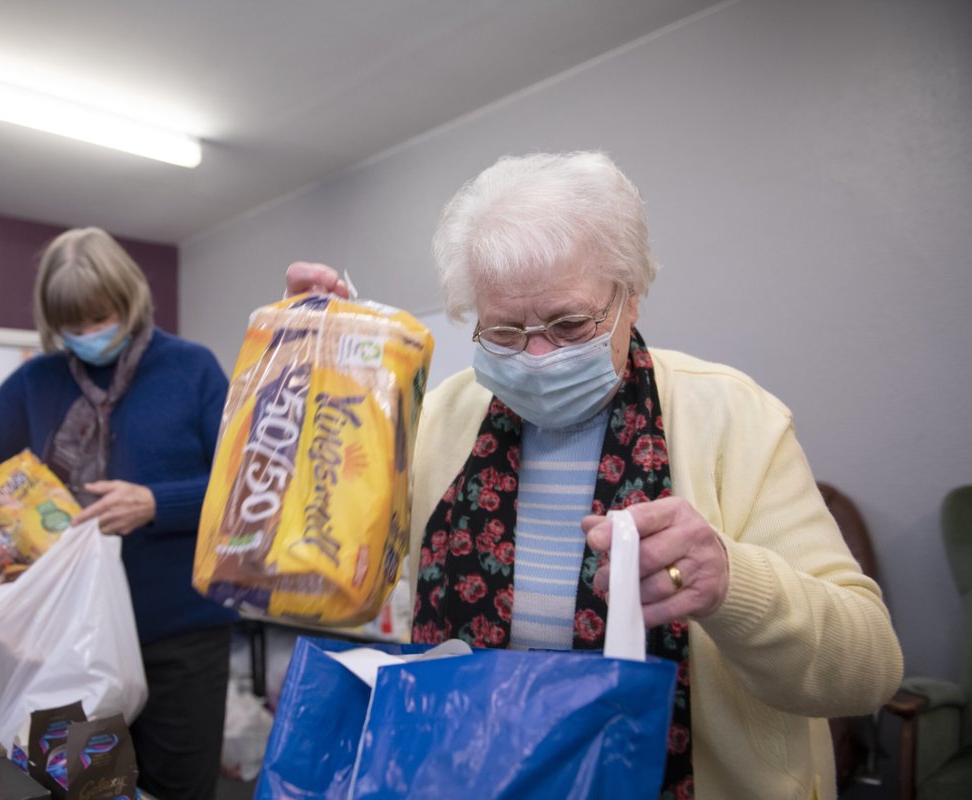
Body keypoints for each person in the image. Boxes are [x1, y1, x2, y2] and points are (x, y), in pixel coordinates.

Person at [285, 152, 903, 799]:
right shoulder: (443, 418)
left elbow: (871, 668)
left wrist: (730, 582)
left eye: (569, 324)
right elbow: (337, 583)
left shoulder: (735, 416)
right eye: (503, 331)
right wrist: (332, 378)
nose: (537, 356)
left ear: (630, 296)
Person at [0, 226, 237, 800]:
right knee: (79, 792)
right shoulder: (36, 384)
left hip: (180, 643)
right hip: (67, 646)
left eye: (102, 317)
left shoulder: (191, 369)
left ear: (131, 300)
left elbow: (244, 485)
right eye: (74, 326)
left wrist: (156, 503)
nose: (90, 335)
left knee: (177, 791)